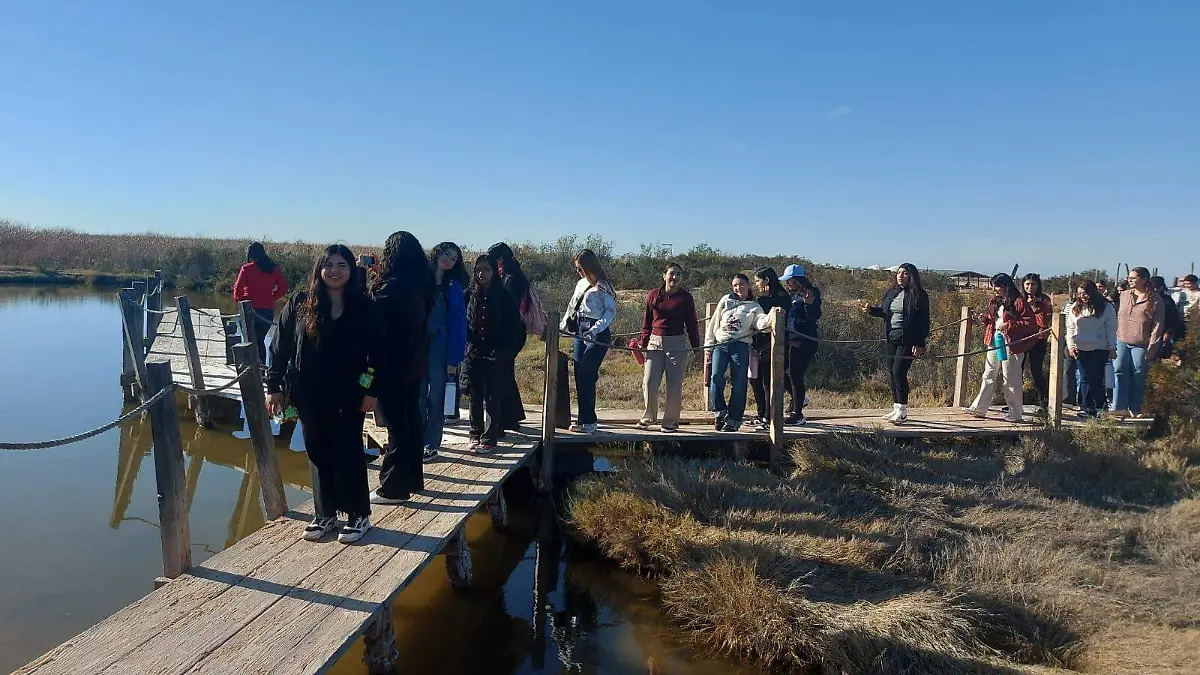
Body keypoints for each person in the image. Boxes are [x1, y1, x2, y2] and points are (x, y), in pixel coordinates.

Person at [267, 244, 382, 544]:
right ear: (319, 269)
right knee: (317, 452)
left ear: (350, 270)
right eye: (328, 264)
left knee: (348, 452)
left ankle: (359, 514)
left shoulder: (364, 305)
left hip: (350, 394)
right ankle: (325, 513)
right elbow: (278, 348)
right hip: (308, 393)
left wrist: (372, 391)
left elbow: (378, 355)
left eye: (341, 265)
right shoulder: (301, 303)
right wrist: (274, 387)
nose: (334, 270)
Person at [368, 231, 434, 506]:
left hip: (390, 363)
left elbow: (368, 310)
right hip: (415, 361)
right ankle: (412, 479)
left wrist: (365, 276)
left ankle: (393, 488)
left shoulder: (391, 286)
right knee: (411, 419)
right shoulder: (423, 282)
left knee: (396, 425)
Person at [462, 255, 524, 453]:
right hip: (473, 353)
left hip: (496, 353)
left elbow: (513, 328)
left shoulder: (505, 296)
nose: (482, 274)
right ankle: (475, 433)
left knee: (492, 397)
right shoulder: (468, 294)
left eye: (486, 269)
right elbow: (460, 324)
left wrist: (503, 352)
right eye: (478, 270)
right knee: (474, 396)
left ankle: (490, 436)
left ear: (494, 271)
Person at [860, 263, 930, 425]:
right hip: (892, 338)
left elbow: (924, 322)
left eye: (904, 273)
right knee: (892, 372)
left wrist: (920, 343)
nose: (900, 276)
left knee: (899, 372)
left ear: (912, 276)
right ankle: (896, 407)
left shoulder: (919, 295)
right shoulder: (892, 292)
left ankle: (903, 411)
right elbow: (885, 312)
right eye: (899, 273)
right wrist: (870, 310)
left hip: (909, 341)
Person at [637, 263, 701, 433]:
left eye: (678, 274)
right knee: (649, 382)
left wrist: (697, 348)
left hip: (677, 344)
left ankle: (671, 421)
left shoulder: (685, 298)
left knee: (674, 384)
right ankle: (649, 417)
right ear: (664, 275)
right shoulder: (653, 295)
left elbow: (692, 324)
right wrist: (643, 343)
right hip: (654, 343)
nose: (675, 277)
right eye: (672, 273)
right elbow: (647, 323)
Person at [965, 273, 1038, 423]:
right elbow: (993, 319)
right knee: (989, 373)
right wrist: (984, 319)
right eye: (994, 286)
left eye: (998, 286)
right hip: (995, 340)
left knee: (1010, 378)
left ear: (1006, 286)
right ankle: (979, 408)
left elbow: (1030, 324)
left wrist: (1010, 325)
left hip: (1012, 344)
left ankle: (1015, 413)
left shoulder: (1019, 302)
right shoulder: (995, 301)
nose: (995, 289)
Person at [706, 274, 775, 431]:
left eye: (741, 284)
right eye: (735, 285)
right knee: (716, 377)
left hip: (740, 345)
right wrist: (709, 346)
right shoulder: (725, 301)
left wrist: (772, 315)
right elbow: (714, 322)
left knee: (739, 382)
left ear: (748, 285)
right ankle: (720, 412)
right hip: (721, 343)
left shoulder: (753, 306)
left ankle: (734, 419)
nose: (738, 288)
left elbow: (762, 324)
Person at [560, 249, 617, 435]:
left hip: (597, 334)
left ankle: (590, 421)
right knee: (580, 375)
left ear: (589, 266)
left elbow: (610, 312)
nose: (579, 272)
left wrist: (595, 329)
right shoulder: (580, 284)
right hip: (579, 331)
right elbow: (571, 307)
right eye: (577, 269)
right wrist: (561, 327)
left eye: (581, 268)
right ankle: (583, 418)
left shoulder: (603, 286)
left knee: (586, 373)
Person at [421, 242, 468, 462]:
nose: (448, 260)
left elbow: (459, 324)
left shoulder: (454, 286)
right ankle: (416, 439)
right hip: (419, 345)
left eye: (453, 258)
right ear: (436, 253)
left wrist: (454, 358)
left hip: (441, 345)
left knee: (436, 398)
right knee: (418, 395)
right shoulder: (421, 280)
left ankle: (431, 444)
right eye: (446, 254)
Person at [487, 242, 529, 431]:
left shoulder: (511, 278)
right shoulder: (513, 275)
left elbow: (508, 309)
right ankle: (511, 417)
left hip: (510, 332)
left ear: (500, 259)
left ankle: (507, 418)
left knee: (501, 373)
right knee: (505, 373)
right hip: (513, 331)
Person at [1113, 267, 1165, 418]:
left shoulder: (1155, 299)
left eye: (1134, 278)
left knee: (1138, 375)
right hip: (1121, 340)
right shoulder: (1124, 295)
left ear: (1144, 279)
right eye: (1129, 277)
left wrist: (1152, 347)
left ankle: (1135, 409)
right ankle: (1118, 408)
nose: (1130, 280)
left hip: (1141, 344)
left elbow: (1158, 325)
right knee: (1119, 372)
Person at [749, 267, 791, 431]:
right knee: (754, 378)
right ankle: (761, 414)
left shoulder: (782, 298)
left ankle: (768, 416)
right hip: (757, 343)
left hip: (774, 343)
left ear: (766, 280)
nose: (756, 284)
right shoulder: (760, 299)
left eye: (758, 280)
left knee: (768, 381)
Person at [1067, 280, 1117, 418]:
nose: (1082, 296)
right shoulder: (1075, 308)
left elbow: (1111, 329)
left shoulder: (1106, 307)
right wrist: (1071, 345)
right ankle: (1085, 407)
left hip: (1099, 348)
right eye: (1080, 293)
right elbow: (1070, 328)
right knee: (1084, 378)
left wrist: (1112, 347)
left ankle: (1100, 406)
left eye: (1085, 293)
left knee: (1095, 379)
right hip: (1080, 348)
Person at [232, 242, 289, 363]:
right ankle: (261, 370)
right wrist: (271, 298)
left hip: (249, 309)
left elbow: (237, 289)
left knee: (250, 341)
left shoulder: (247, 269)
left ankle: (252, 369)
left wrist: (240, 302)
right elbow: (283, 288)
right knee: (260, 340)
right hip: (267, 310)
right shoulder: (273, 268)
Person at [779, 264, 820, 425]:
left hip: (804, 340)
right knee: (779, 370)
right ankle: (799, 399)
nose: (787, 283)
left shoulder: (812, 293)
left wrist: (809, 304)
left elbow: (815, 315)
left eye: (789, 280)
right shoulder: (787, 294)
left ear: (797, 280)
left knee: (796, 375)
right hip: (788, 339)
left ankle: (798, 415)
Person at [1020, 273, 1054, 410]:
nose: (1030, 287)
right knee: (1017, 370)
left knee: (1036, 371)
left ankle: (1043, 403)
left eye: (1033, 284)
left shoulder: (1044, 300)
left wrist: (1034, 307)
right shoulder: (1019, 299)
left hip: (1038, 339)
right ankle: (1016, 402)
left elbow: (1044, 322)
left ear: (1038, 285)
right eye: (1027, 284)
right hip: (1021, 339)